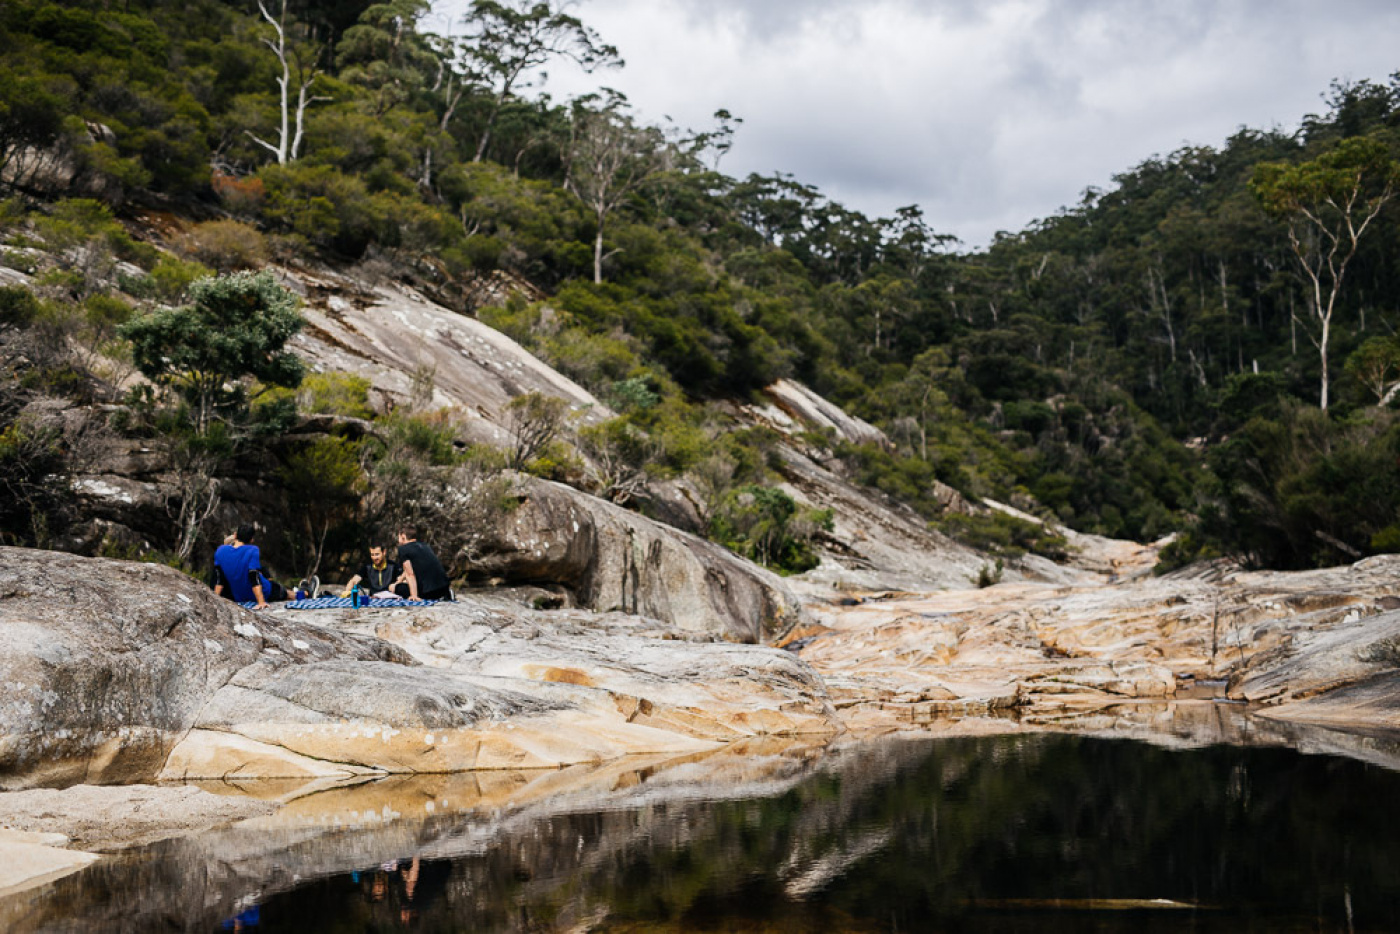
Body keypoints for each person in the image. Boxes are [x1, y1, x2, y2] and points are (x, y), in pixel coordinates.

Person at [212, 524, 288, 610]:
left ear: (235, 535)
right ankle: (305, 592)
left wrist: (215, 600)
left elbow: (219, 579)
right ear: (251, 540)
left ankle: (303, 590)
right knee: (287, 593)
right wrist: (261, 602)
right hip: (265, 591)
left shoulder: (220, 551)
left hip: (239, 596)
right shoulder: (252, 550)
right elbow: (253, 576)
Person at [393, 526, 452, 601]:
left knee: (393, 588)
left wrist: (414, 595)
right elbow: (409, 568)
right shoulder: (425, 546)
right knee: (403, 582)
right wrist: (401, 579)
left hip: (429, 592)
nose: (398, 540)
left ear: (403, 536)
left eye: (399, 537)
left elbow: (410, 574)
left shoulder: (403, 549)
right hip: (444, 588)